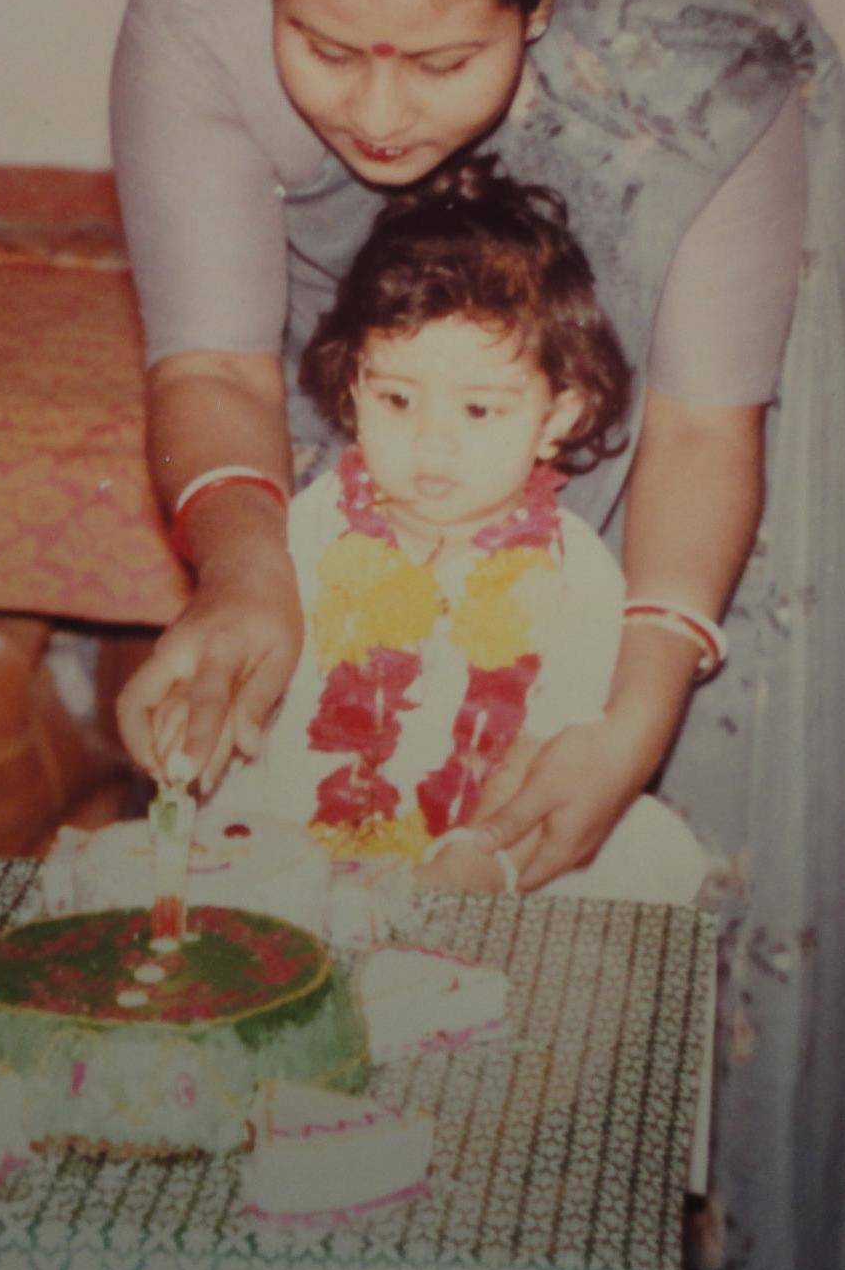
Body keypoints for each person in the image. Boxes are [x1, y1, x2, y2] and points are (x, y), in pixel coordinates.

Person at [109, 0, 845, 1270]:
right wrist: (245, 574)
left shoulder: (691, 53)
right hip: (431, 388)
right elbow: (217, 367)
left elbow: (696, 433)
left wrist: (633, 717)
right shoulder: (198, 6)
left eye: (438, 62)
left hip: (659, 260)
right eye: (323, 46)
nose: (372, 113)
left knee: (640, 777)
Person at [195, 155, 709, 904]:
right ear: (352, 386)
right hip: (303, 830)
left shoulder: (577, 572)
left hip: (483, 847)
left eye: (477, 410)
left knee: (638, 849)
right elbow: (259, 699)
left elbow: (548, 749)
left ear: (556, 416)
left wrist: (476, 856)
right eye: (399, 399)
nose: (432, 443)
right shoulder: (309, 527)